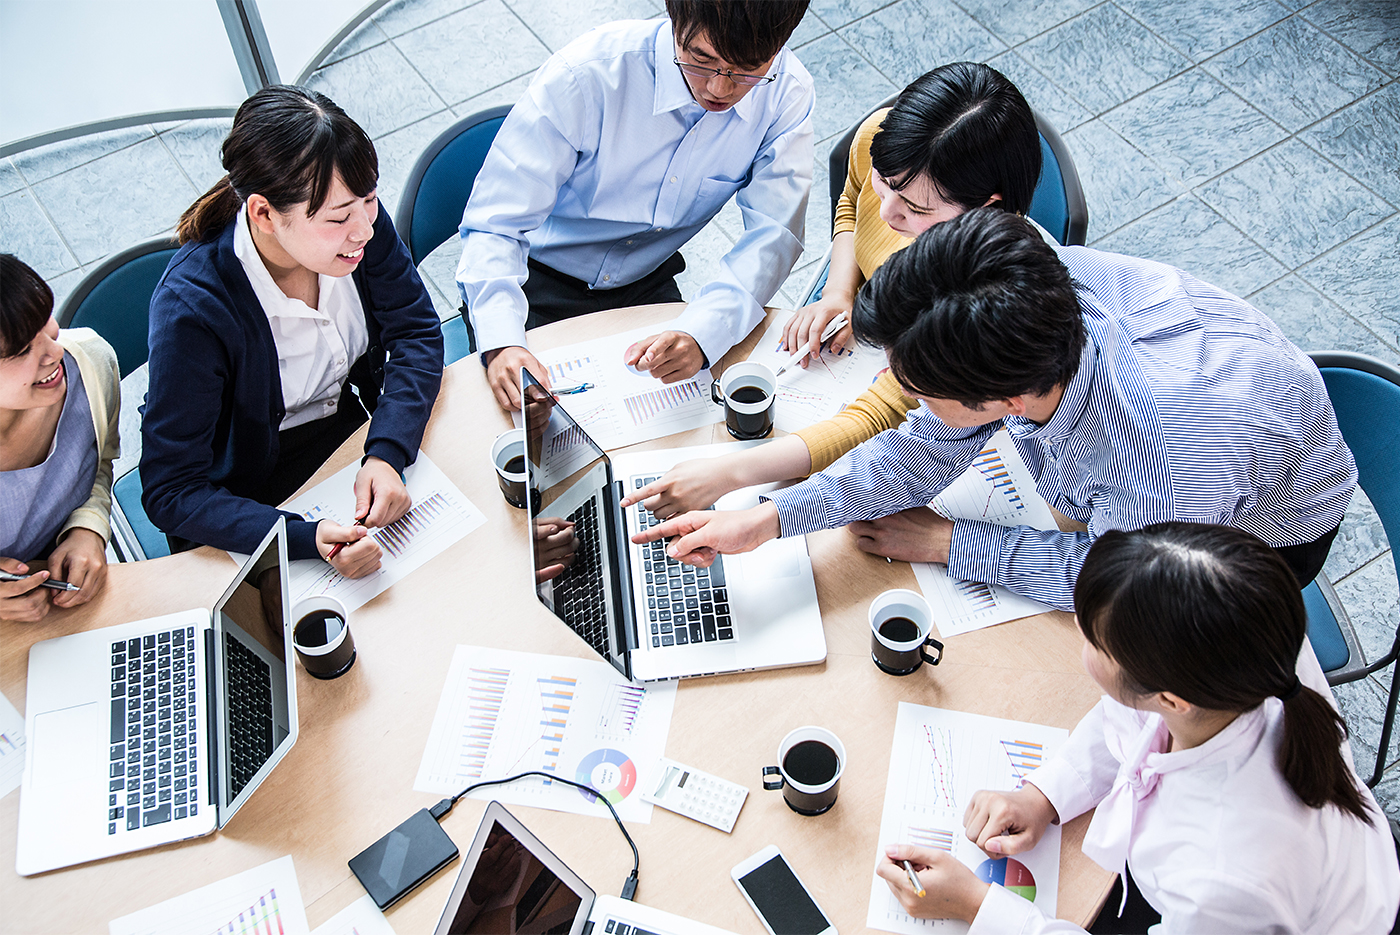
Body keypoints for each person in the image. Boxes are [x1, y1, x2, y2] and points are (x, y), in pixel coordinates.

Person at [635, 209, 1355, 609]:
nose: (900, 392)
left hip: (1260, 534)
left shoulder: (1157, 463)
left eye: (921, 390)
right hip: (1203, 422)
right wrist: (767, 518)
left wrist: (949, 542)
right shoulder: (1024, 280)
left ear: (1006, 402)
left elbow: (1109, 578)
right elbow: (921, 449)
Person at [876, 522, 1399, 933]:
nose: (1080, 634)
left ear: (1171, 697)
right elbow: (1126, 720)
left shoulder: (1222, 875)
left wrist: (975, 905)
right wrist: (1044, 796)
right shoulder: (1250, 649)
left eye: (1094, 643)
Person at [624, 62, 1046, 521]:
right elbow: (852, 204)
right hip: (861, 331)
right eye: (885, 184)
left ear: (986, 208)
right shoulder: (879, 140)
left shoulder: (968, 296)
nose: (887, 214)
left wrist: (729, 475)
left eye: (916, 208)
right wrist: (839, 291)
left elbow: (889, 418)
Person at [141, 86, 444, 576]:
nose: (365, 228)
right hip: (247, 502)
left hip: (350, 443)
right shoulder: (193, 311)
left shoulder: (356, 220)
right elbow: (173, 490)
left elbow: (416, 333)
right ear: (263, 214)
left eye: (370, 200)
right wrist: (302, 536)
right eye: (339, 217)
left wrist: (387, 452)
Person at [457, 0, 814, 411]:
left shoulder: (787, 93)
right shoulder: (588, 76)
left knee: (690, 422)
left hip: (644, 278)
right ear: (674, 17)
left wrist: (703, 333)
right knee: (534, 431)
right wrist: (502, 344)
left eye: (748, 70)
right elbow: (495, 224)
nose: (720, 89)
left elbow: (774, 233)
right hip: (534, 279)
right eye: (701, 60)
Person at [0, 255, 119, 622]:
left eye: (44, 324)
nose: (54, 352)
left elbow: (96, 465)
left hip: (62, 604)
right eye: (22, 351)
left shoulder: (90, 365)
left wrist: (89, 527)